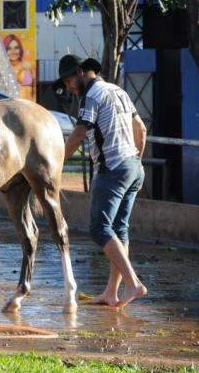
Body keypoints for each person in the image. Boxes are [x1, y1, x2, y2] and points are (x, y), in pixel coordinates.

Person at [58, 54, 148, 309]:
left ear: (79, 73)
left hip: (112, 170)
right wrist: (136, 161)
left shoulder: (92, 96)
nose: (69, 88)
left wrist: (57, 161)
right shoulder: (118, 90)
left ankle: (133, 283)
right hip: (132, 167)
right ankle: (112, 292)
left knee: (99, 229)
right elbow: (141, 129)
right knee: (119, 230)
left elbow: (79, 132)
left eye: (69, 81)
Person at [3, 34, 35, 99]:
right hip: (13, 105)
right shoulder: (3, 69)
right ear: (5, 51)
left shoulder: (28, 66)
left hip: (29, 104)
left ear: (20, 49)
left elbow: (34, 90)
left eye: (16, 48)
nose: (13, 52)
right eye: (9, 48)